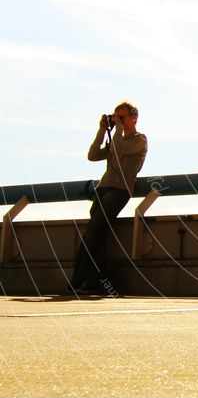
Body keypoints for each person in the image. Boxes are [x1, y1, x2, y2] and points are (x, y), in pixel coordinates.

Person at [66, 102, 148, 296]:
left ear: (134, 117)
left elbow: (119, 153)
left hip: (119, 190)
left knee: (92, 234)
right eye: (116, 117)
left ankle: (77, 280)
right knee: (97, 237)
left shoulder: (140, 140)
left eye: (123, 117)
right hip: (102, 189)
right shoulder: (115, 140)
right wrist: (102, 131)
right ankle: (97, 283)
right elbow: (92, 155)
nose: (118, 120)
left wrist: (117, 128)